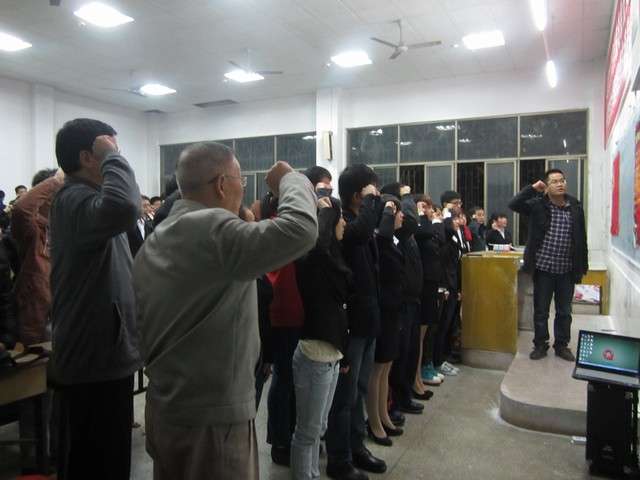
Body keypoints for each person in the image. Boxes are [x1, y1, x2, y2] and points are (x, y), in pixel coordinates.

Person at [133, 143, 317, 480]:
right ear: (221, 184)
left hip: (167, 406)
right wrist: (290, 179)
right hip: (212, 421)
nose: (241, 191)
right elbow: (301, 229)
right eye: (240, 182)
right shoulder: (211, 231)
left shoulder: (159, 237)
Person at [50, 118, 142, 480]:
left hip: (105, 354)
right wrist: (112, 156)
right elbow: (126, 206)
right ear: (88, 157)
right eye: (110, 149)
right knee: (94, 462)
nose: (117, 156)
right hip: (92, 361)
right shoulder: (74, 200)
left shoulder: (89, 202)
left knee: (110, 459)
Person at [325, 164, 385, 480]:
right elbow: (359, 235)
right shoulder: (342, 220)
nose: (376, 195)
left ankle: (357, 446)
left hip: (368, 319)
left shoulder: (363, 219)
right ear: (355, 194)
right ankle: (339, 459)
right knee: (344, 397)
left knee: (360, 389)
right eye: (370, 190)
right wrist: (372, 202)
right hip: (350, 323)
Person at [292, 194, 350, 480]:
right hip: (315, 354)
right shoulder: (312, 260)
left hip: (331, 354)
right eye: (341, 218)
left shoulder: (331, 262)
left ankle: (312, 474)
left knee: (320, 428)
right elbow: (318, 247)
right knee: (308, 431)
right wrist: (325, 214)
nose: (345, 223)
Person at [509, 169, 588, 361]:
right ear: (546, 186)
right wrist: (532, 188)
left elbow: (581, 238)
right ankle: (540, 344)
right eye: (554, 181)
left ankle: (561, 345)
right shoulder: (538, 205)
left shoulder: (575, 206)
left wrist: (582, 265)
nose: (560, 184)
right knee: (541, 310)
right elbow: (514, 204)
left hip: (566, 269)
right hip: (543, 268)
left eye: (562, 180)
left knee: (564, 311)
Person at [11, 168, 64, 345]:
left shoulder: (64, 226)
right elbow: (21, 209)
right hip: (37, 318)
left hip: (63, 314)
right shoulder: (32, 228)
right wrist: (55, 181)